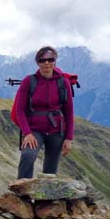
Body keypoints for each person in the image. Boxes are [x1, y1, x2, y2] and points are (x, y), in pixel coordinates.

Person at [14, 46, 74, 179]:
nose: (46, 63)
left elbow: (69, 112)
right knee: (28, 156)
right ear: (37, 62)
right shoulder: (29, 81)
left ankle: (46, 199)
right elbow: (20, 110)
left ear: (55, 61)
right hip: (34, 130)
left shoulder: (63, 82)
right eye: (42, 60)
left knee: (50, 171)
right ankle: (22, 194)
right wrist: (27, 133)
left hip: (57, 131)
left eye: (50, 59)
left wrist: (69, 138)